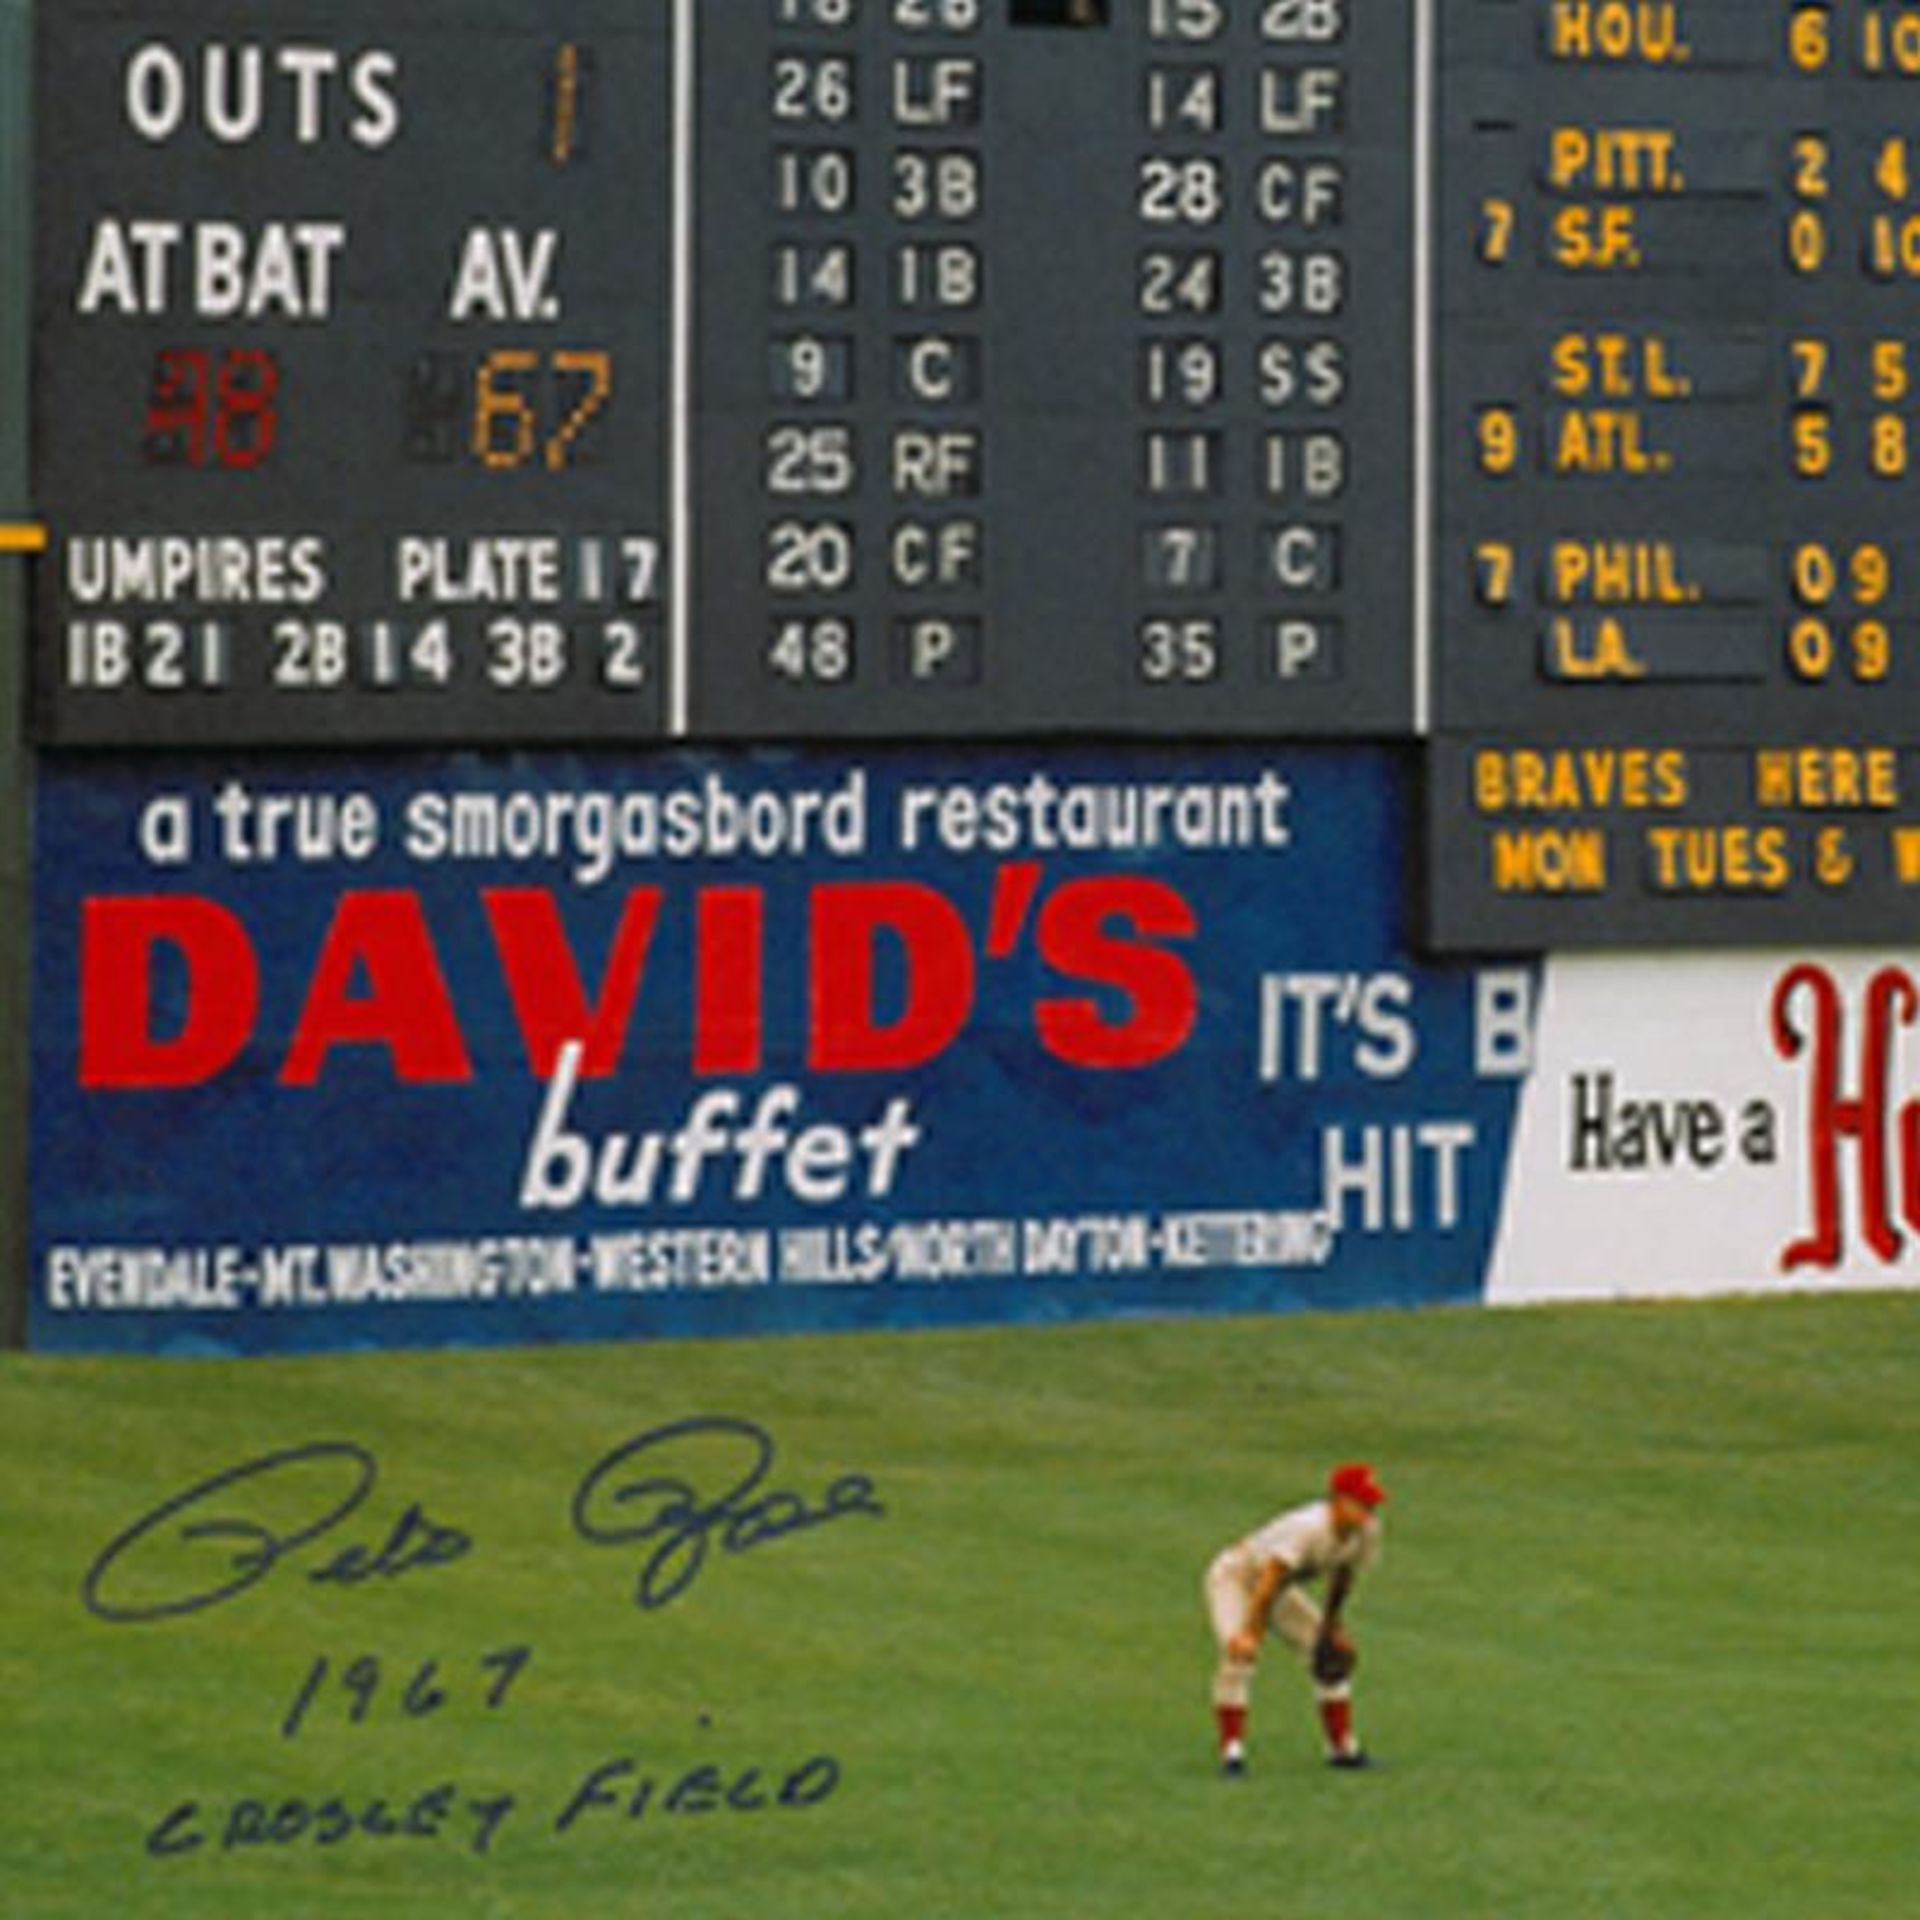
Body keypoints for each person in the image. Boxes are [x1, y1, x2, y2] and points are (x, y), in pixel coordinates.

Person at [1202, 1461, 1386, 1773]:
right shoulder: (1308, 1528)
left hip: (1275, 1587)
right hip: (1237, 1576)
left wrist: (1331, 1626)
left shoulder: (1365, 1531)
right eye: (1362, 1503)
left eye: (1371, 1504)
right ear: (1338, 1500)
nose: (1369, 1511)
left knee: (1327, 1653)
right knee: (1239, 1654)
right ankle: (1232, 1753)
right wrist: (1251, 1632)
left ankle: (1341, 1749)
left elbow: (1342, 1578)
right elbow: (1269, 1579)